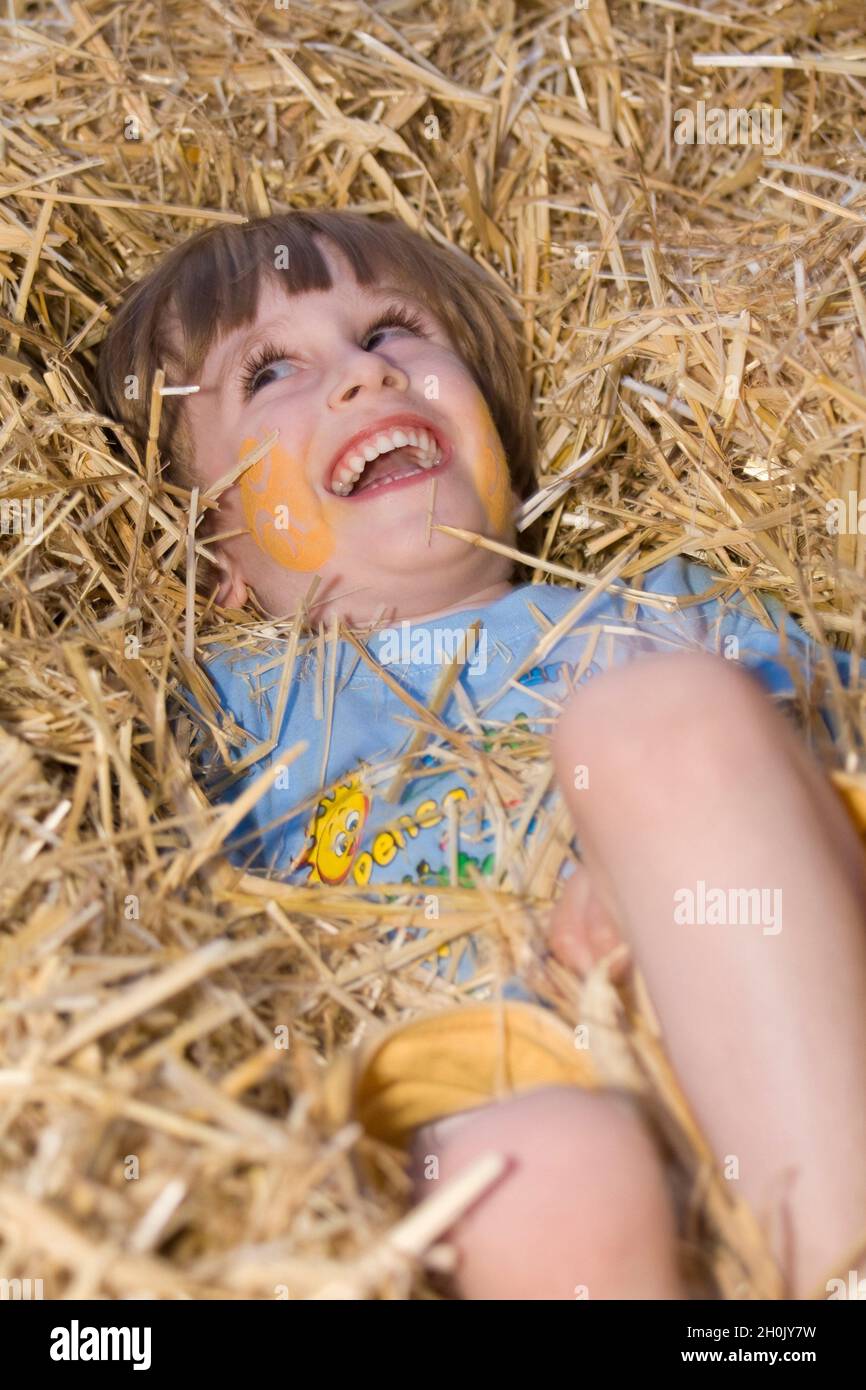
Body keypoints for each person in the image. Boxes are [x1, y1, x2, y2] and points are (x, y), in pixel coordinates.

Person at [96, 209, 866, 1299]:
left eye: (391, 333)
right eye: (269, 372)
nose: (362, 379)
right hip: (480, 1067)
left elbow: (827, 741)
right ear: (211, 553)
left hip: (764, 1006)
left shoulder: (653, 606)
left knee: (653, 721)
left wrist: (655, 870)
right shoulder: (230, 714)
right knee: (533, 1170)